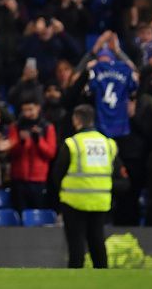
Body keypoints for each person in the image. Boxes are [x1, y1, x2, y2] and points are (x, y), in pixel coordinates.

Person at [51, 105, 118, 269]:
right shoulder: (108, 144)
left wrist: (61, 191)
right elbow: (115, 172)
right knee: (97, 243)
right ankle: (103, 281)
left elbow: (58, 173)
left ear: (76, 120)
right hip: (100, 201)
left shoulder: (73, 143)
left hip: (74, 200)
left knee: (76, 246)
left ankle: (76, 282)